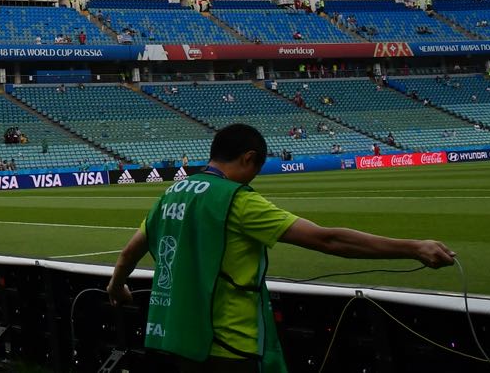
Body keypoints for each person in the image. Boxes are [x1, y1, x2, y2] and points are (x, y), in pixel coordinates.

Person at [106, 124, 455, 372]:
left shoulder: (169, 194)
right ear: (248, 158)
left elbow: (130, 252)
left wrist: (116, 284)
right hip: (230, 344)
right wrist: (413, 247)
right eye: (256, 168)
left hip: (180, 339)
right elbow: (327, 239)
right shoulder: (237, 200)